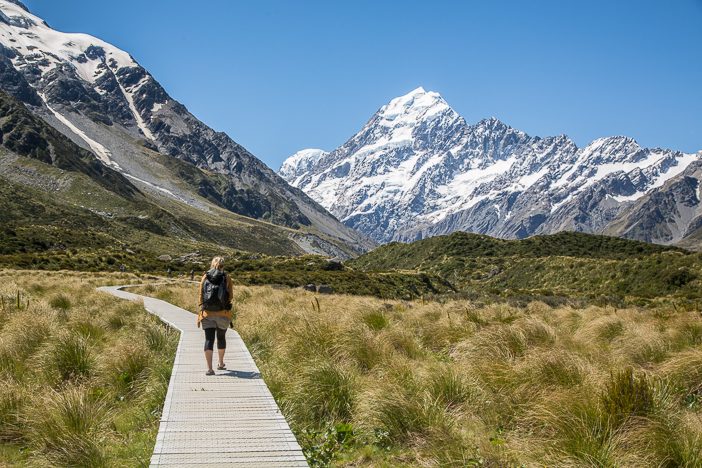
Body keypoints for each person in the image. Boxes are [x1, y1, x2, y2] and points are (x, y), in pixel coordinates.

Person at [198, 256, 234, 375]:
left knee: (209, 339)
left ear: (211, 264)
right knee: (221, 337)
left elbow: (200, 296)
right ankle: (221, 363)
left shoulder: (205, 276)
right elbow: (230, 297)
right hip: (223, 313)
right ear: (223, 265)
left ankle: (209, 369)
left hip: (207, 313)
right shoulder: (227, 277)